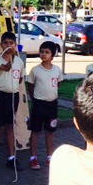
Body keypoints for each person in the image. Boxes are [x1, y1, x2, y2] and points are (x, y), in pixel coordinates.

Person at [0, 31, 24, 173]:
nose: (9, 46)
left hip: (13, 95)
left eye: (11, 43)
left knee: (10, 126)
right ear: (1, 45)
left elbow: (20, 78)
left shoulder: (19, 61)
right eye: (6, 43)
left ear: (15, 45)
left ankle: (11, 157)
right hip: (0, 95)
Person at [25, 40, 63, 169]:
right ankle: (33, 158)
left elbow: (57, 84)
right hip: (39, 104)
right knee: (35, 131)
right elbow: (31, 85)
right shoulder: (35, 70)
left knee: (50, 131)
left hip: (52, 105)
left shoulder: (57, 70)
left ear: (52, 55)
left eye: (47, 52)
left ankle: (49, 157)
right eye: (42, 51)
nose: (43, 54)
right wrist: (35, 99)